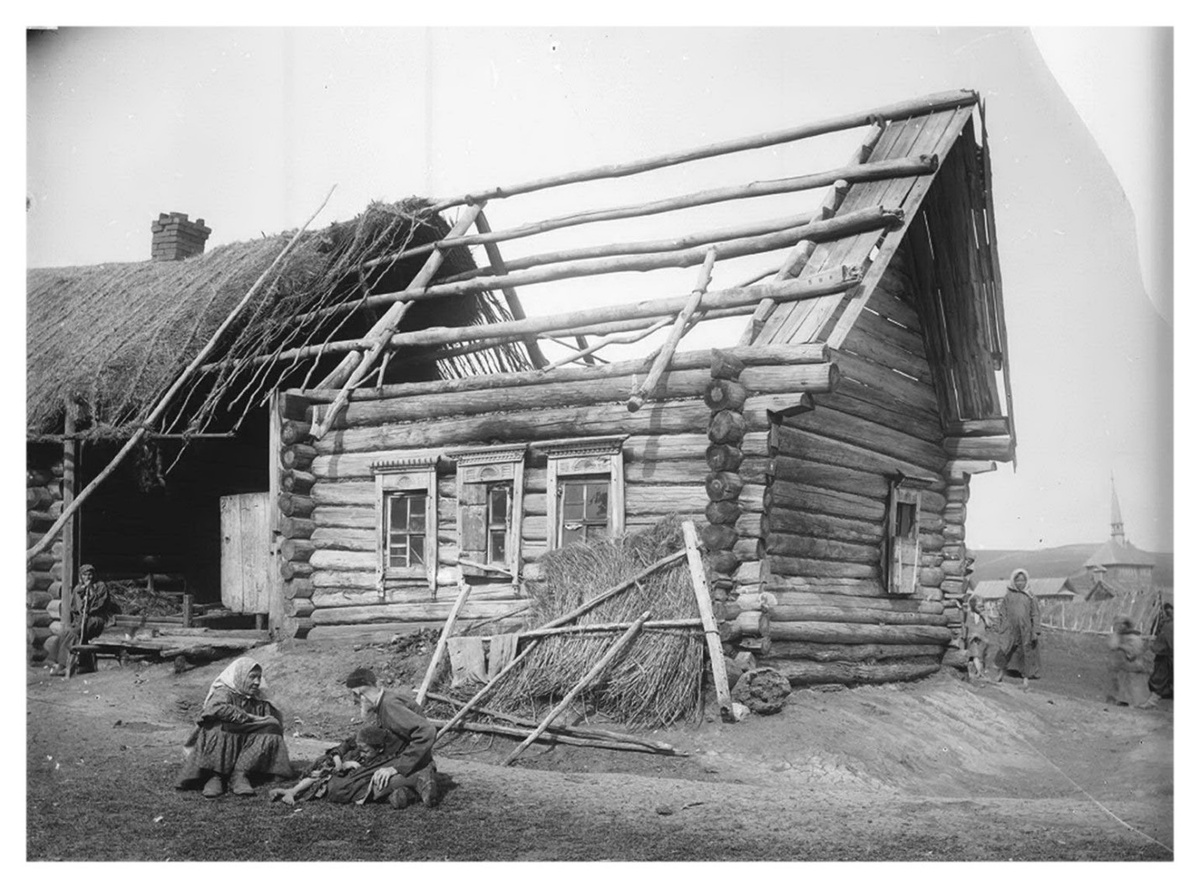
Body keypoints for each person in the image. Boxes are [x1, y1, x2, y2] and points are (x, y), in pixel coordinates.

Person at [175, 657, 295, 798]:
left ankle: (240, 774)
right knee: (217, 726)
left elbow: (270, 720)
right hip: (223, 737)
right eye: (252, 677)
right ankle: (215, 776)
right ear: (240, 676)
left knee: (272, 727)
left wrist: (267, 721)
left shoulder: (259, 697)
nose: (257, 682)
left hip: (246, 742)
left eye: (259, 677)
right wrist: (249, 717)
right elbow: (213, 708)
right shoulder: (224, 692)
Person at [342, 667, 439, 809]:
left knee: (358, 786)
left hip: (413, 764)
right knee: (367, 779)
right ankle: (407, 791)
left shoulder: (390, 705)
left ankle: (418, 778)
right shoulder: (383, 703)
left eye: (354, 696)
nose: (354, 702)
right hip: (406, 761)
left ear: (359, 693)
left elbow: (427, 731)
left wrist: (396, 768)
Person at [269, 725, 400, 805]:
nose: (362, 753)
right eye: (361, 750)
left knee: (328, 777)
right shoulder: (362, 747)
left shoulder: (383, 759)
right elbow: (345, 746)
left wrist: (342, 767)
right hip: (341, 770)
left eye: (365, 751)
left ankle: (293, 791)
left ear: (380, 749)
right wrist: (339, 760)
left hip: (350, 780)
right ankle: (292, 791)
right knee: (325, 765)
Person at [50, 563, 119, 676]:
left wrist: (91, 593)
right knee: (66, 632)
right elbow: (76, 607)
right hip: (82, 619)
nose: (88, 577)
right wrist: (83, 600)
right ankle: (64, 663)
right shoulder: (78, 589)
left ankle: (64, 665)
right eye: (85, 575)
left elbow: (100, 606)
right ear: (81, 576)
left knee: (73, 633)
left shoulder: (101, 586)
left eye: (90, 574)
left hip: (97, 619)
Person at [993, 568, 1041, 689]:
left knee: (1026, 652)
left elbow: (1035, 614)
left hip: (1025, 630)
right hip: (1010, 629)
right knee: (1005, 649)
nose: (1020, 583)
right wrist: (1001, 626)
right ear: (1013, 582)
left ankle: (1025, 679)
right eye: (1018, 581)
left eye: (1023, 581)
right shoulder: (1008, 596)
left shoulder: (1030, 597)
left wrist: (1035, 630)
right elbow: (1002, 613)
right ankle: (1000, 674)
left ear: (1027, 581)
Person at [1106, 618, 1153, 707]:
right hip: (1124, 667)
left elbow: (1134, 651)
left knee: (1134, 686)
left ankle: (1136, 703)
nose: (1119, 627)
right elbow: (1112, 646)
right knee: (1123, 684)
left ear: (1126, 625)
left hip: (1132, 665)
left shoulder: (1133, 638)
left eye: (1121, 624)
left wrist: (1122, 648)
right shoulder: (1121, 637)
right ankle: (1123, 701)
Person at [1148, 601, 1173, 704]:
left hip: (1168, 655)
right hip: (1164, 654)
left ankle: (1154, 699)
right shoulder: (1166, 623)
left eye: (1170, 609)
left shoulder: (1170, 625)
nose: (1168, 612)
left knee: (1159, 678)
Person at [964, 595, 993, 680]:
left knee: (982, 655)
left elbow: (989, 625)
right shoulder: (970, 614)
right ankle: (979, 672)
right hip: (973, 638)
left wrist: (984, 616)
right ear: (973, 606)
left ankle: (980, 671)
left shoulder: (983, 615)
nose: (981, 608)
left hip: (982, 639)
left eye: (982, 606)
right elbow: (967, 626)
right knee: (975, 655)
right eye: (979, 606)